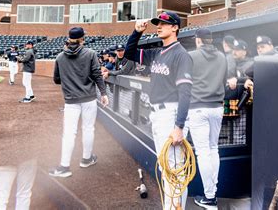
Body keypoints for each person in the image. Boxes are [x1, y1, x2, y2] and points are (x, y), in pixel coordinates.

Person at [124, 11, 193, 210]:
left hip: (171, 115)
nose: (159, 26)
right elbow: (129, 53)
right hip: (158, 114)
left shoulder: (181, 55)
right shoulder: (157, 52)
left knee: (174, 170)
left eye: (164, 23)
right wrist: (136, 32)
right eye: (157, 23)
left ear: (175, 27)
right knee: (166, 168)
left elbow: (186, 93)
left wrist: (179, 126)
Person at [49, 27, 109, 178]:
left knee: (69, 133)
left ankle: (64, 166)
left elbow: (56, 80)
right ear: (82, 39)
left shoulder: (60, 57)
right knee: (88, 128)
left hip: (71, 100)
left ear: (69, 39)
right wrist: (103, 93)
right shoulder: (90, 53)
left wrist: (69, 76)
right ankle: (86, 159)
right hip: (88, 98)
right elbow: (97, 74)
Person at [187, 28, 227, 209]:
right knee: (213, 149)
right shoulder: (222, 56)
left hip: (198, 108)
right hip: (217, 107)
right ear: (210, 40)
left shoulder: (192, 56)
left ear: (198, 40)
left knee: (203, 152)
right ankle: (212, 192)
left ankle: (210, 197)